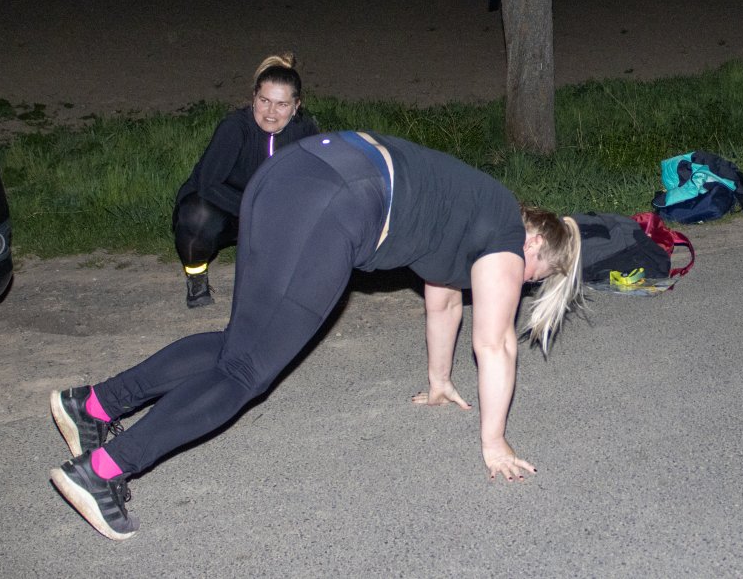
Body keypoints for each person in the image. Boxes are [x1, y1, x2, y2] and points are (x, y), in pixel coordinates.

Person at [48, 130, 584, 540]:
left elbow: (442, 301)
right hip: (338, 200)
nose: (521, 282)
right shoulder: (505, 237)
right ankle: (104, 471)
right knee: (246, 372)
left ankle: (92, 405)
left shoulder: (472, 209)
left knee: (244, 342)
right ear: (534, 244)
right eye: (533, 275)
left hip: (294, 169)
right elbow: (495, 343)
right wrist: (495, 443)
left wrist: (439, 380)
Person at [173, 53, 320, 308]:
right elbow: (208, 184)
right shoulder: (235, 128)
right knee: (196, 217)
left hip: (269, 212)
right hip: (221, 207)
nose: (271, 112)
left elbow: (313, 183)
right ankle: (196, 276)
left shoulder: (305, 130)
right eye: (264, 101)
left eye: (282, 104)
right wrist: (258, 210)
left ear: (296, 106)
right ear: (254, 97)